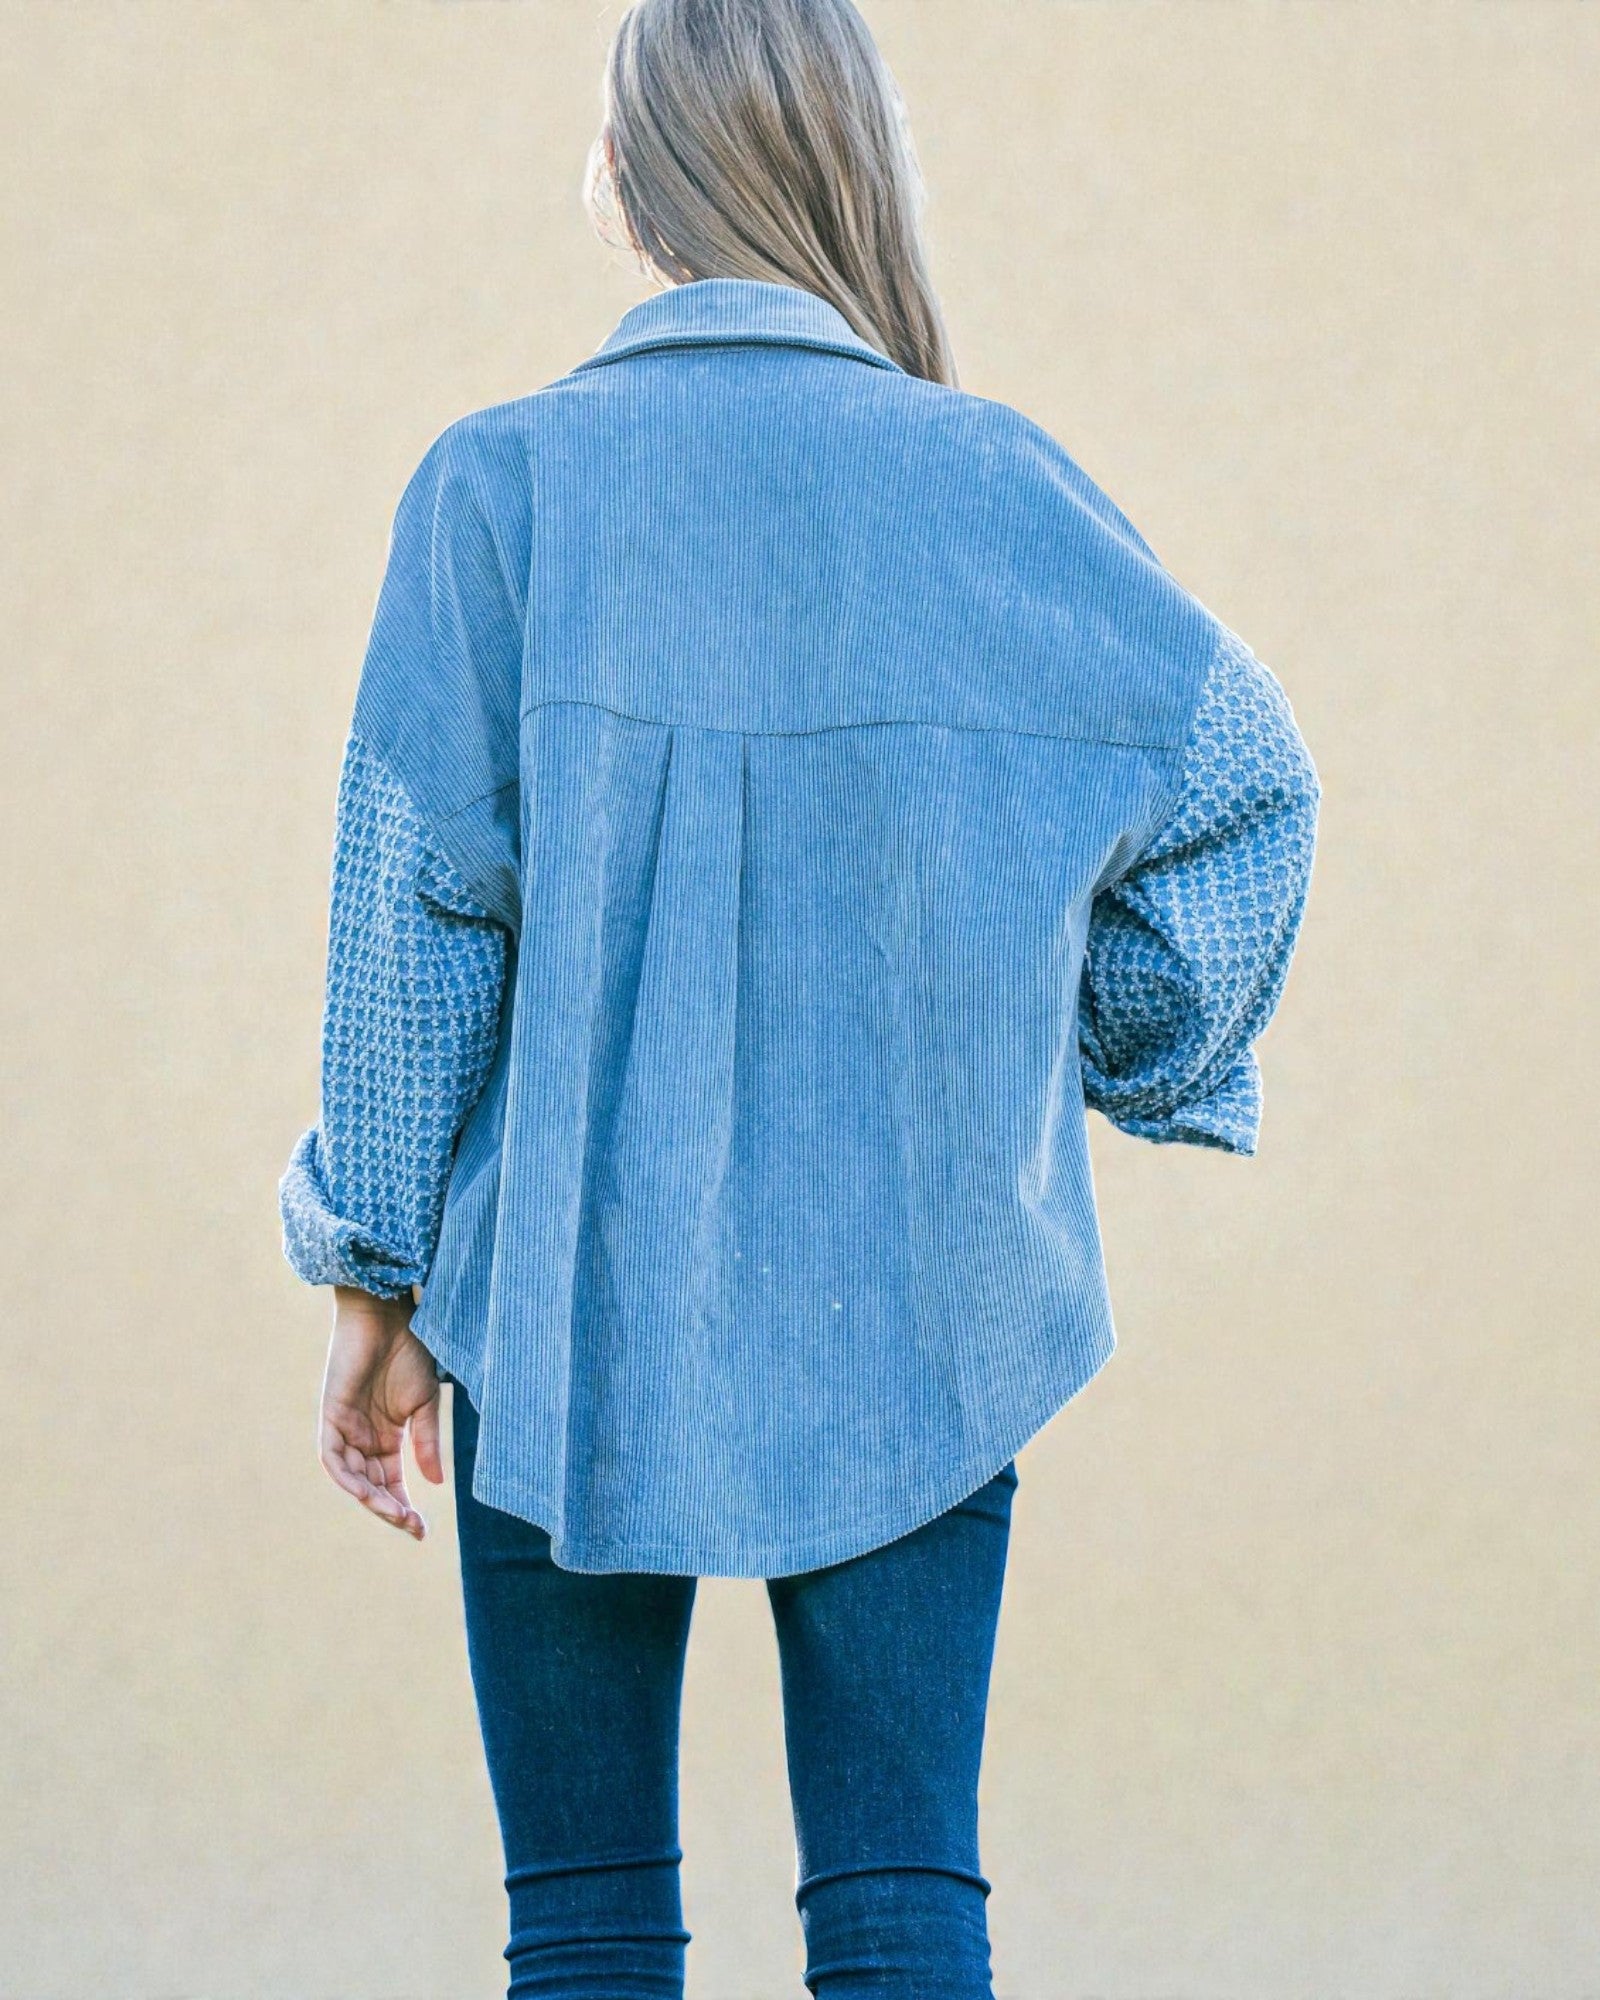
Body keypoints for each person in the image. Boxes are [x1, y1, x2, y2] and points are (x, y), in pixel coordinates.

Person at [277, 1, 1321, 1994]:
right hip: (935, 1304)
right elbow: (1242, 783)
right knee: (905, 1895)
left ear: (625, 174)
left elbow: (412, 921)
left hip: (557, 1314)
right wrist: (1101, 1036)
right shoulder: (993, 488)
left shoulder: (494, 496)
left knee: (580, 1921)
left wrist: (375, 1271)